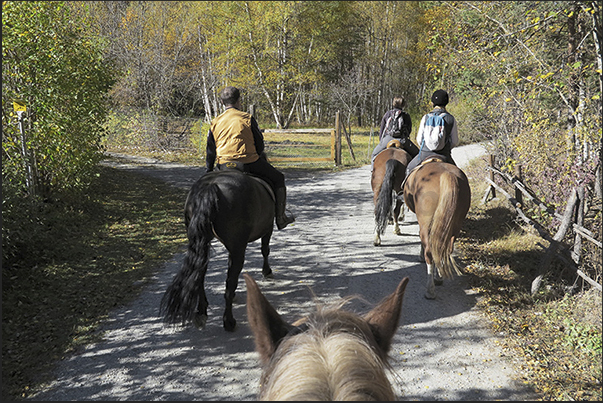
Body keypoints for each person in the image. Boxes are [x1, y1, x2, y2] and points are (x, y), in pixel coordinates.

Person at [205, 86, 295, 230]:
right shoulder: (247, 118)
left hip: (224, 164)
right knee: (278, 178)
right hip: (248, 163)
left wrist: (209, 169)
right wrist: (257, 154)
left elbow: (210, 149)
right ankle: (280, 218)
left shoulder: (215, 122)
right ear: (239, 101)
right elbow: (260, 144)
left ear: (222, 102)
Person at [405, 89, 459, 176]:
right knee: (458, 176)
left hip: (425, 154)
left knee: (409, 168)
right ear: (446, 103)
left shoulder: (425, 117)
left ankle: (403, 190)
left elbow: (419, 139)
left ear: (433, 103)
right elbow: (454, 141)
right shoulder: (451, 118)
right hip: (444, 155)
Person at [370, 96, 418, 170]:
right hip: (402, 139)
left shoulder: (388, 114)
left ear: (393, 103)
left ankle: (372, 171)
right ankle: (411, 173)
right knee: (417, 154)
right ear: (403, 104)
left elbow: (382, 129)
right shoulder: (406, 115)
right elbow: (409, 130)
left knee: (374, 154)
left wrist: (382, 142)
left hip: (388, 139)